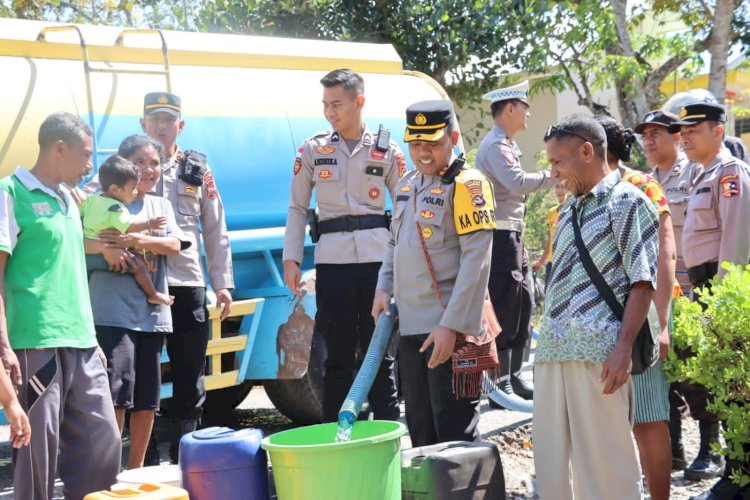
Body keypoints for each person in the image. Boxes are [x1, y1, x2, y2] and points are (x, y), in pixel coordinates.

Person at [533, 114, 659, 500]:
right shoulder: (568, 210)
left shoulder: (630, 202)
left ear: (587, 152)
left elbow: (642, 281)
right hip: (554, 353)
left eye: (557, 162)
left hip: (599, 356)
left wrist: (622, 350)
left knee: (606, 465)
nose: (552, 172)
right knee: (553, 467)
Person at [0, 112, 121, 499]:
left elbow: (69, 271)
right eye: (85, 155)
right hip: (35, 342)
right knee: (36, 456)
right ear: (58, 148)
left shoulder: (70, 199)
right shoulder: (10, 193)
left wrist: (92, 338)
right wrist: (3, 344)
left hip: (83, 342)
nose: (90, 165)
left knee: (103, 444)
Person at [371, 100, 495, 446]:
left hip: (450, 333)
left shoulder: (468, 186)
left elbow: (476, 263)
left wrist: (450, 326)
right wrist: (384, 288)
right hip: (412, 330)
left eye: (433, 144)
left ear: (453, 137)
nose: (423, 153)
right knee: (421, 431)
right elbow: (395, 244)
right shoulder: (408, 185)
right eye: (415, 144)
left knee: (455, 434)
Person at [283, 69, 402, 423]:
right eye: (325, 105)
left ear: (359, 102)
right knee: (336, 355)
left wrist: (401, 265)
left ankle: (389, 430)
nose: (330, 112)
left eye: (337, 104)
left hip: (377, 264)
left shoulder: (387, 150)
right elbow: (297, 207)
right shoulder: (313, 149)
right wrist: (291, 258)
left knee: (379, 352)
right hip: (332, 265)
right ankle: (332, 436)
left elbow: (405, 210)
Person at [138, 91, 235, 462]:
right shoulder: (129, 164)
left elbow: (216, 228)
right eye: (155, 119)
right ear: (142, 124)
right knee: (144, 374)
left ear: (181, 125)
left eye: (168, 120)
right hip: (142, 285)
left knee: (189, 373)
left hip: (187, 284)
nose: (161, 127)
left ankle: (186, 458)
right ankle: (143, 462)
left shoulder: (196, 170)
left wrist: (222, 283)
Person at [84, 136, 190, 470]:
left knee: (147, 398)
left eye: (155, 163)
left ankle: (136, 470)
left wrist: (133, 240)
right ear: (124, 165)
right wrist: (105, 249)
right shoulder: (99, 200)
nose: (149, 170)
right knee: (116, 393)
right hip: (112, 312)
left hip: (152, 314)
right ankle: (107, 471)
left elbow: (175, 245)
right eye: (140, 162)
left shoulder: (160, 206)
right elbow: (78, 242)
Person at [669, 103, 750, 500]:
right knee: (719, 381)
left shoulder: (729, 173)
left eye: (694, 129)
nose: (684, 136)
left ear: (718, 131)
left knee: (734, 385)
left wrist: (721, 299)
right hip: (703, 285)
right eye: (682, 130)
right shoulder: (701, 174)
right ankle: (734, 473)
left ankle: (740, 478)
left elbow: (735, 238)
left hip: (722, 286)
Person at [597, 115, 677, 500]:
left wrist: (660, 323)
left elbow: (665, 254)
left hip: (642, 314)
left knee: (647, 418)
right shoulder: (584, 192)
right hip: (602, 322)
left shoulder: (640, 184)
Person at [475, 80, 555, 405]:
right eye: (524, 107)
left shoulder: (507, 143)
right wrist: (556, 175)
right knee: (507, 302)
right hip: (498, 234)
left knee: (523, 303)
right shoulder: (495, 145)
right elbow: (516, 182)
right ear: (509, 108)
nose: (528, 113)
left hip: (512, 233)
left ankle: (515, 375)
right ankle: (499, 383)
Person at [634, 109, 704, 474]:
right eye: (644, 135)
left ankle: (710, 450)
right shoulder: (644, 181)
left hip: (695, 290)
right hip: (663, 293)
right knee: (666, 374)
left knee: (700, 375)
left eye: (656, 133)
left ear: (677, 136)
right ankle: (674, 450)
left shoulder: (694, 173)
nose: (648, 140)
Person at [81, 155, 173, 306]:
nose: (136, 192)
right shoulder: (116, 208)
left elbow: (79, 211)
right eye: (133, 188)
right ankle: (153, 294)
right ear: (115, 190)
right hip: (107, 256)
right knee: (139, 266)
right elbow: (128, 227)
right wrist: (150, 223)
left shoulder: (92, 199)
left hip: (88, 255)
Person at [532, 182, 569, 281]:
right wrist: (541, 261)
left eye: (564, 187)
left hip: (567, 262)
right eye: (557, 187)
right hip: (552, 262)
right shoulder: (552, 212)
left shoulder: (572, 209)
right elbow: (551, 239)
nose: (560, 190)